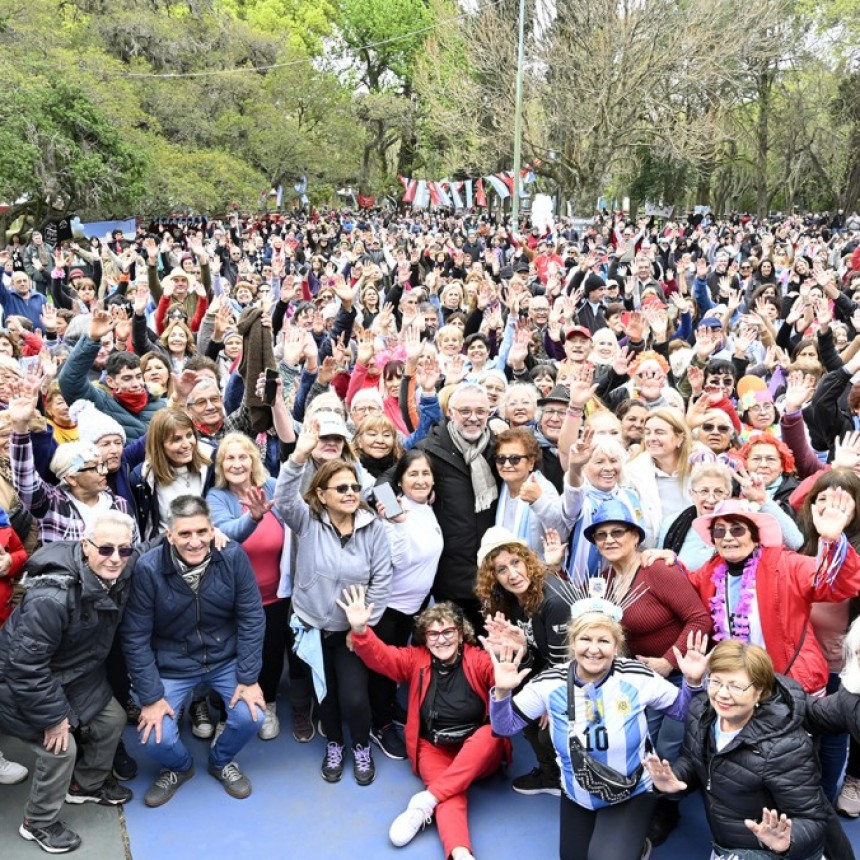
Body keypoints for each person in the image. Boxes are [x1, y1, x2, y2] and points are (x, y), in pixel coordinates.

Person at [487, 609, 708, 860]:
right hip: (579, 792)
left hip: (632, 789)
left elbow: (682, 711)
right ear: (572, 643)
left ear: (616, 648)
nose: (594, 649)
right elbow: (504, 727)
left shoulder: (637, 676)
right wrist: (502, 693)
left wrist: (692, 682)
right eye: (585, 639)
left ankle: (635, 845)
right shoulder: (549, 683)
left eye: (603, 641)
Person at [0, 511, 137, 853]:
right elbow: (24, 666)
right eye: (106, 549)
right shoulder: (52, 597)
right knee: (61, 748)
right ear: (85, 546)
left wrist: (215, 534)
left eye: (124, 550)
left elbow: (157, 546)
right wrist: (53, 718)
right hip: (18, 683)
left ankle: (85, 785)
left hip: (74, 674)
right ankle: (38, 822)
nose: (116, 558)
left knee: (113, 718)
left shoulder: (117, 572)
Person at [338, 588, 509, 860]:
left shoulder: (476, 657)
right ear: (425, 639)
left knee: (491, 733)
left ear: (460, 633)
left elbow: (499, 676)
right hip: (434, 747)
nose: (442, 640)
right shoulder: (415, 658)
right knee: (451, 793)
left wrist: (504, 658)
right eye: (433, 634)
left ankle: (425, 802)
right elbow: (383, 657)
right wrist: (360, 631)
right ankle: (460, 852)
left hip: (476, 749)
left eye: (448, 632)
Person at [122, 495, 266, 807]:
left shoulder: (233, 557)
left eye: (202, 532)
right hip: (172, 663)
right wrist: (150, 697)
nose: (195, 541)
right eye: (185, 534)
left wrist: (249, 677)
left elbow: (252, 616)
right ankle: (179, 767)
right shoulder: (148, 569)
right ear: (169, 534)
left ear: (212, 530)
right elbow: (135, 636)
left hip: (223, 657)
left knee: (252, 714)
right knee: (153, 735)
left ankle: (221, 760)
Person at [273, 420, 392, 786]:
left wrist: (362, 626)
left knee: (355, 698)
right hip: (312, 626)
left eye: (355, 487)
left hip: (351, 632)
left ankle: (360, 747)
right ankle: (335, 746)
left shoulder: (375, 528)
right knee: (326, 697)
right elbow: (282, 499)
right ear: (321, 494)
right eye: (341, 488)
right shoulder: (307, 521)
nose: (350, 493)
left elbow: (382, 581)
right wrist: (297, 457)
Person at [644, 641, 832, 860]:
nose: (722, 694)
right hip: (728, 843)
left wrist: (787, 841)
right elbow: (693, 760)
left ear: (759, 692)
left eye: (735, 686)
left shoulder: (785, 747)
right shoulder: (701, 712)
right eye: (716, 681)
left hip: (775, 852)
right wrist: (675, 779)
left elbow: (812, 820)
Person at [687, 494, 860, 694]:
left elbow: (840, 585)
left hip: (792, 684)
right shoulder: (709, 572)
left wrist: (832, 541)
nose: (727, 537)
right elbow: (681, 587)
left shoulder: (786, 564)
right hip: (737, 684)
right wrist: (663, 559)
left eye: (737, 529)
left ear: (755, 536)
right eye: (719, 531)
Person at [206, 432, 306, 742]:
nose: (237, 464)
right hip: (233, 599)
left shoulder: (273, 487)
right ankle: (227, 713)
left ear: (254, 459)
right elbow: (230, 533)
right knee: (232, 657)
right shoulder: (216, 497)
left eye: (242, 456)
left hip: (275, 595)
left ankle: (269, 704)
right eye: (229, 458)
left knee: (271, 653)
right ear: (221, 465)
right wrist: (253, 516)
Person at [474, 526, 570, 796]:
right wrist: (521, 650)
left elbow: (567, 665)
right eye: (501, 569)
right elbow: (535, 656)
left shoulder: (554, 600)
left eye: (515, 562)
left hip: (582, 674)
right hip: (550, 666)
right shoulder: (508, 599)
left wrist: (549, 702)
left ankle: (570, 777)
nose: (512, 574)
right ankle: (551, 775)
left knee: (545, 729)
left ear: (527, 560)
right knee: (520, 710)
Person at [367, 449, 444, 761]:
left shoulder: (428, 508)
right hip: (388, 607)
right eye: (413, 474)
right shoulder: (395, 511)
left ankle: (388, 708)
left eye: (426, 473)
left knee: (399, 667)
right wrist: (395, 520)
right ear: (399, 480)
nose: (421, 479)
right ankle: (380, 724)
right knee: (383, 670)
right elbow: (396, 561)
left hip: (416, 605)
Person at [420, 382, 500, 631]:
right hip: (449, 579)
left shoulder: (499, 449)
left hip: (492, 578)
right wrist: (393, 509)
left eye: (480, 411)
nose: (473, 418)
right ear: (450, 413)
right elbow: (384, 485)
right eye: (465, 411)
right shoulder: (430, 449)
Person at [58, 308, 165, 441]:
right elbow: (70, 382)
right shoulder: (102, 404)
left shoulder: (161, 405)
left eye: (138, 376)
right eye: (127, 378)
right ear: (110, 382)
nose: (136, 384)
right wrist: (92, 339)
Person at [131, 408, 215, 538]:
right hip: (165, 549)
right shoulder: (142, 478)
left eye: (189, 435)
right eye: (176, 439)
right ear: (160, 445)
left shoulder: (212, 462)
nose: (186, 444)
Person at [493, 427, 568, 560]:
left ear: (531, 463)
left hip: (541, 573)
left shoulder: (543, 488)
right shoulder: (499, 486)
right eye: (501, 459)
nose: (507, 464)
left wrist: (539, 502)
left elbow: (562, 533)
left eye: (515, 459)